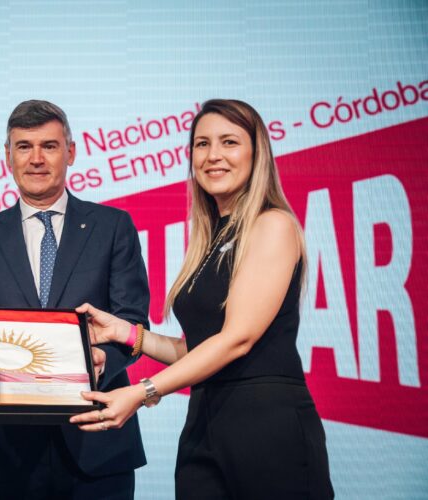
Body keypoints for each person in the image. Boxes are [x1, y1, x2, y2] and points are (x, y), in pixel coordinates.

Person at [71, 99, 334, 499]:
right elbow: (198, 350)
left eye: (229, 142)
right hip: (205, 425)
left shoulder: (272, 224)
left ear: (256, 153)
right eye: (202, 144)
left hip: (267, 426)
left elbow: (237, 339)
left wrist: (142, 393)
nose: (213, 156)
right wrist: (127, 333)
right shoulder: (211, 239)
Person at [0, 100, 150, 499]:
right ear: (7, 157)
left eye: (50, 146)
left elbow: (130, 320)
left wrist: (101, 363)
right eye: (24, 147)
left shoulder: (113, 227)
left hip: (98, 438)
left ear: (71, 153)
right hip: (5, 452)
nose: (36, 159)